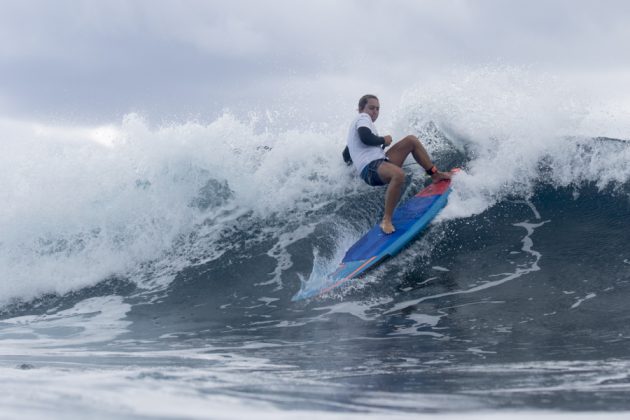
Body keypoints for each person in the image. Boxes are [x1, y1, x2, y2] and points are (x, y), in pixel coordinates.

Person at [343, 94, 451, 234]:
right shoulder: (363, 118)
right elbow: (365, 137)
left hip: (380, 163)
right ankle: (386, 220)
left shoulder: (357, 127)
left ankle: (435, 175)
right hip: (371, 168)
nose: (375, 111)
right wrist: (383, 140)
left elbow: (346, 154)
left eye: (377, 109)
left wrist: (353, 166)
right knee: (398, 174)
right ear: (360, 109)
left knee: (411, 141)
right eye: (371, 108)